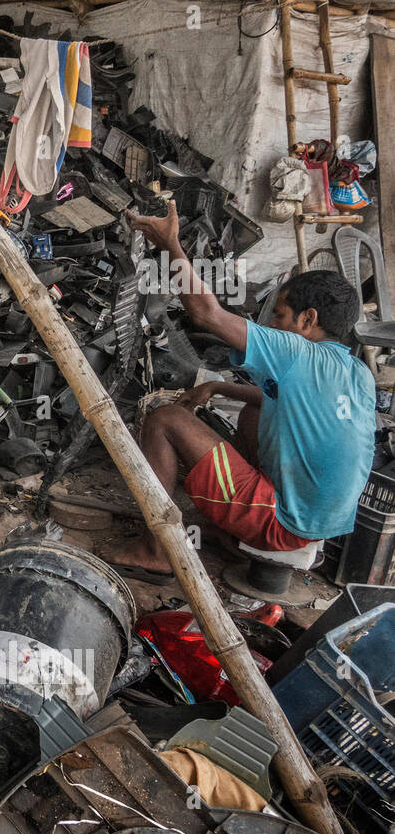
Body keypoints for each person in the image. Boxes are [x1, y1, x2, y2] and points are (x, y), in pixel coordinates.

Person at [101, 201, 376, 582]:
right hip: (320, 523)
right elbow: (286, 405)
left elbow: (206, 314)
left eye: (279, 316)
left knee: (165, 419)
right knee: (255, 411)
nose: (274, 324)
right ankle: (231, 528)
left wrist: (170, 245)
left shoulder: (299, 352)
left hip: (282, 523)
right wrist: (215, 386)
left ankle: (156, 550)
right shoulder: (358, 372)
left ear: (308, 320)